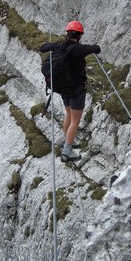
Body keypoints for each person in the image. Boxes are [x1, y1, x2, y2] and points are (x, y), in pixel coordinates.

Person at [40, 20, 101, 162]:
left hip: (62, 89)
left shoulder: (59, 45)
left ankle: (68, 141)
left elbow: (43, 47)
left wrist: (52, 46)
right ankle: (67, 151)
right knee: (75, 121)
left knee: (68, 115)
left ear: (67, 33)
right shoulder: (78, 49)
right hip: (76, 90)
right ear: (79, 36)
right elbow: (96, 48)